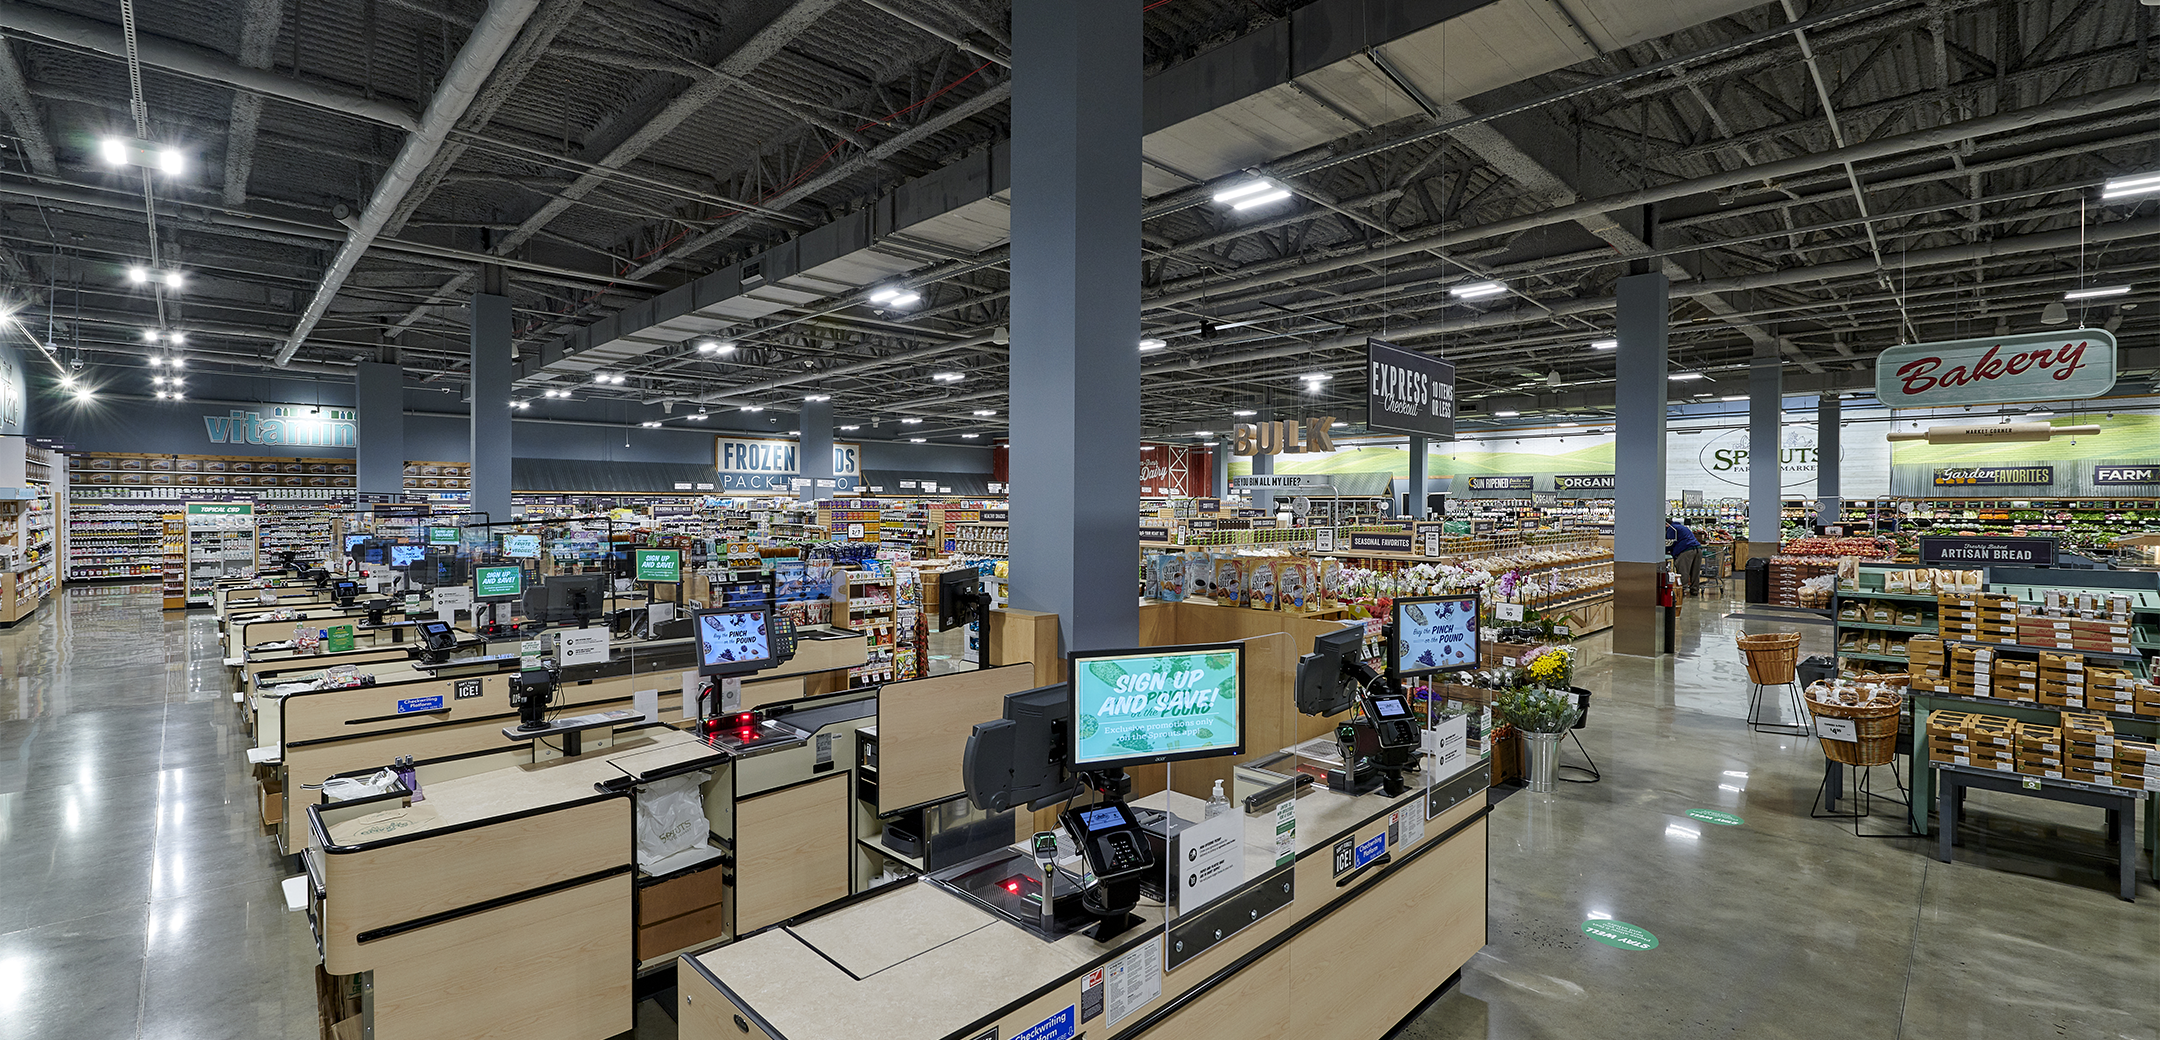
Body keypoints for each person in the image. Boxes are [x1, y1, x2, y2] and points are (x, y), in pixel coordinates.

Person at [1666, 519, 1701, 595]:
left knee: (1683, 571)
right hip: (1698, 549)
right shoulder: (1681, 527)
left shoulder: (1671, 529)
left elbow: (1670, 543)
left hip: (1686, 550)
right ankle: (1695, 590)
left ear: (1666, 524)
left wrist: (1664, 550)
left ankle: (1682, 590)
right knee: (1695, 572)